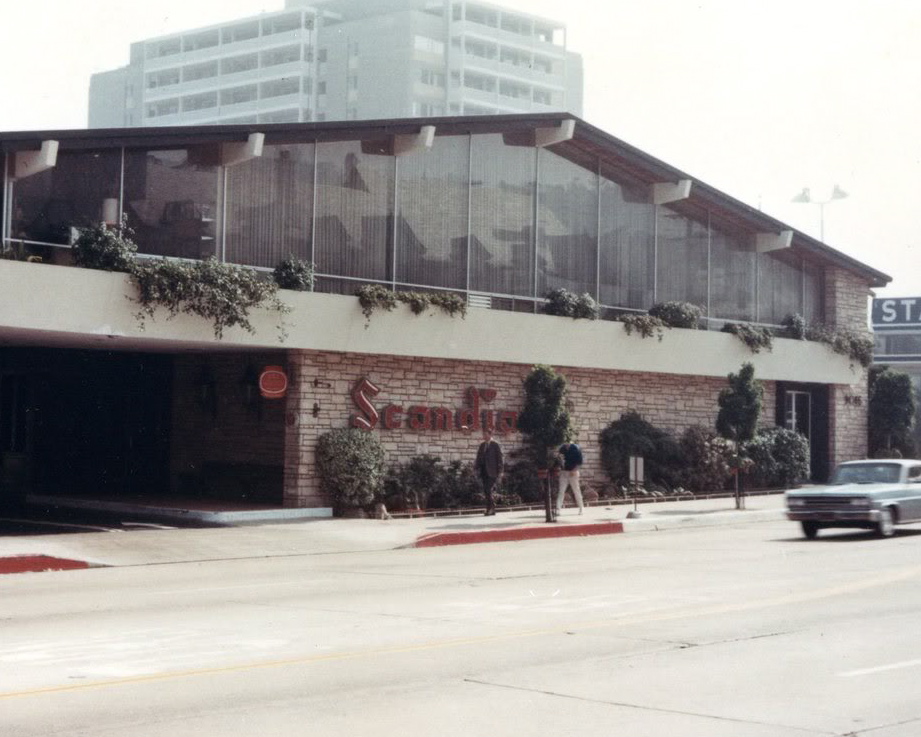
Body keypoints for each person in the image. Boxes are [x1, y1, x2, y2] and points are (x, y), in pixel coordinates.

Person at [474, 429, 504, 516]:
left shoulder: (495, 445)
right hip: (483, 471)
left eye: (486, 434)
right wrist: (476, 468)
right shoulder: (482, 445)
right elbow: (479, 458)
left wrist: (501, 471)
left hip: (493, 471)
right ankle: (490, 509)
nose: (484, 436)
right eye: (484, 435)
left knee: (488, 489)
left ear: (490, 435)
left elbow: (500, 459)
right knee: (486, 491)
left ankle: (491, 508)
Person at [556, 441, 584, 516]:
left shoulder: (576, 448)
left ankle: (581, 508)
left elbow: (580, 462)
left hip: (573, 473)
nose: (566, 444)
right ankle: (558, 509)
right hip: (564, 472)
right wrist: (559, 468)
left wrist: (574, 470)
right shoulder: (562, 448)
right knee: (561, 491)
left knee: (576, 490)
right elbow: (559, 460)